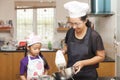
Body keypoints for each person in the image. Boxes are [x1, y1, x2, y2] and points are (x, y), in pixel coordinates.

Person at [59, 1, 105, 80]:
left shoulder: (94, 36)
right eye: (71, 23)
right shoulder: (70, 32)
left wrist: (83, 63)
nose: (73, 27)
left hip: (88, 76)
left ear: (85, 20)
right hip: (70, 75)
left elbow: (101, 56)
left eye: (77, 23)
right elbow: (67, 46)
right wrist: (62, 52)